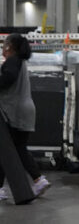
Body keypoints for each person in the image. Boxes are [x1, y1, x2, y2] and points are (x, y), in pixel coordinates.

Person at [0, 34, 50, 202]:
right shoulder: (20, 62)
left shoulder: (13, 61)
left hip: (15, 112)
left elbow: (7, 78)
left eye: (4, 45)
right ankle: (37, 180)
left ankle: (37, 180)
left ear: (9, 47)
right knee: (14, 148)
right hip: (25, 110)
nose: (2, 48)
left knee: (8, 149)